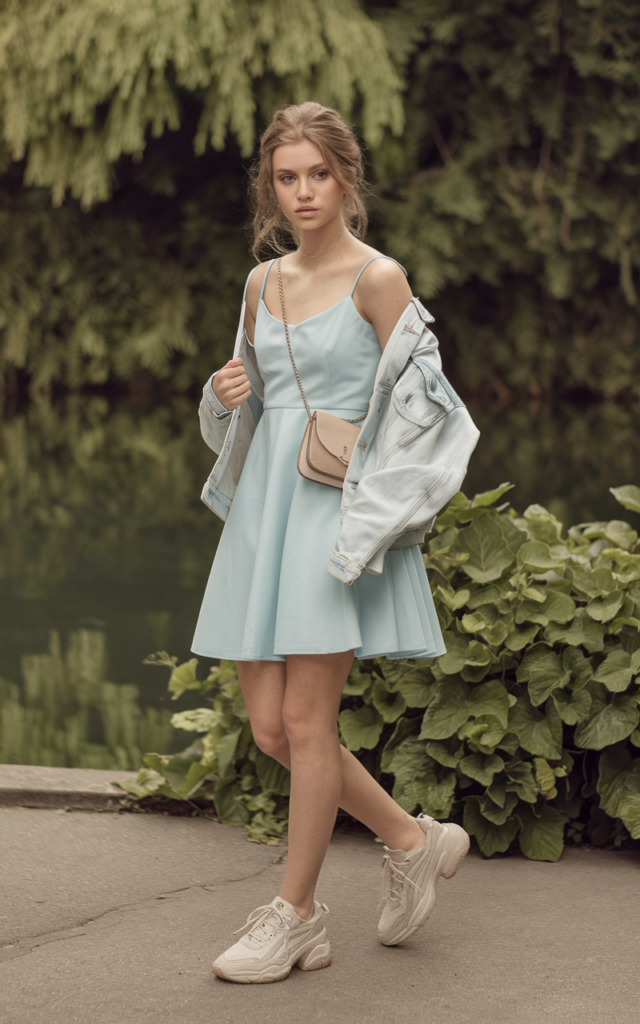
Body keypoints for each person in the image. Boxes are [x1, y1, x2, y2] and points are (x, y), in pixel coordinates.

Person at [191, 102, 473, 984]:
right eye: (287, 177)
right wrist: (223, 391)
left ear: (347, 177)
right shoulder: (260, 283)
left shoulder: (378, 278)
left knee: (311, 723)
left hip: (328, 516)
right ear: (269, 188)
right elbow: (246, 411)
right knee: (273, 729)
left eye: (319, 173)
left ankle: (298, 917)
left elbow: (434, 417)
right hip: (261, 519)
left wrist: (382, 501)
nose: (304, 192)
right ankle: (412, 839)